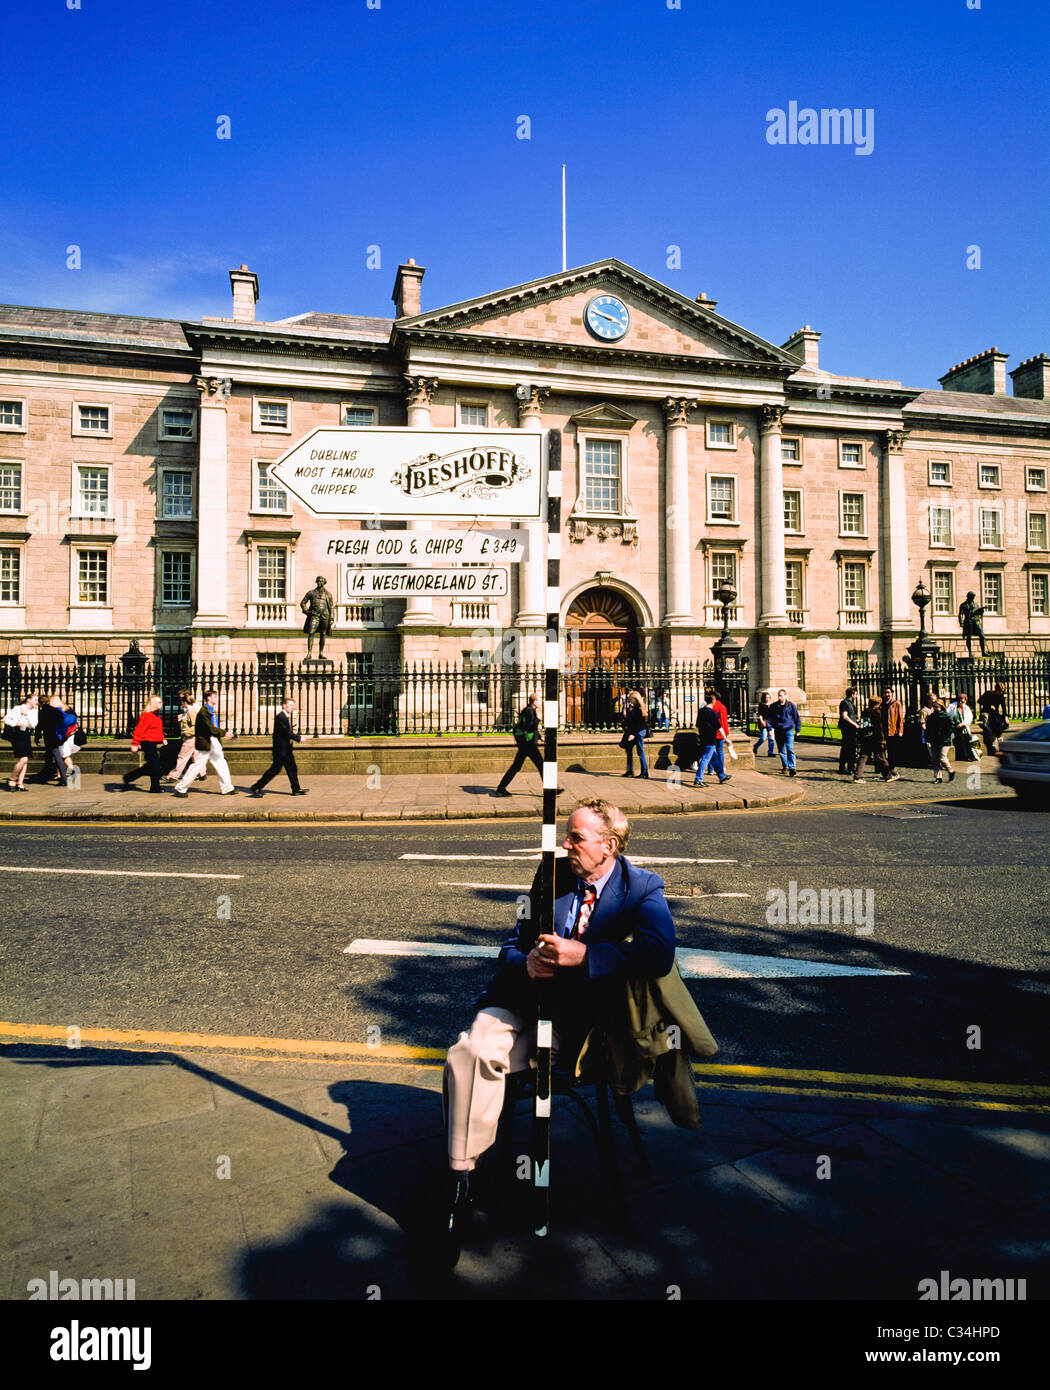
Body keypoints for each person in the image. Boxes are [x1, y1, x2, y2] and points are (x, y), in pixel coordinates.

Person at [439, 799, 709, 1266]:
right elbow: (511, 942)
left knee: (489, 1058)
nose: (565, 845)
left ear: (609, 845)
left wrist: (582, 957)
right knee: (471, 1051)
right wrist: (524, 962)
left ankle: (471, 1178)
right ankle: (461, 1180)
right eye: (566, 836)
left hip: (578, 1023)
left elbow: (657, 953)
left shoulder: (642, 887)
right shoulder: (551, 876)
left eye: (576, 838)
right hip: (523, 996)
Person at [173, 689, 237, 795]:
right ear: (208, 698)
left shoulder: (211, 710)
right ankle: (180, 788)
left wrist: (221, 734)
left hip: (212, 740)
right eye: (214, 696)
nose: (216, 698)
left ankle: (227, 787)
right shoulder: (203, 711)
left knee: (220, 762)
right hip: (206, 741)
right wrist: (225, 733)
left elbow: (213, 728)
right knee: (198, 765)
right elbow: (210, 728)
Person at [250, 696, 309, 796]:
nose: (292, 707)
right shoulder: (280, 717)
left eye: (293, 706)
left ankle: (296, 789)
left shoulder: (285, 717)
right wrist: (299, 738)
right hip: (281, 750)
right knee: (274, 770)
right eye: (290, 705)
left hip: (286, 749)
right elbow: (286, 732)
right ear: (284, 705)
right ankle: (256, 787)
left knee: (292, 768)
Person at [495, 693, 546, 797]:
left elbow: (526, 726)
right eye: (540, 700)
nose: (541, 702)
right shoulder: (530, 711)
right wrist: (538, 719)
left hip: (525, 743)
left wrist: (540, 737)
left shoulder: (527, 710)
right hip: (529, 744)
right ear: (535, 702)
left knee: (516, 766)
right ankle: (551, 789)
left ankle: (501, 788)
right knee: (541, 765)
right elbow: (530, 726)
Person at [122, 694, 167, 793]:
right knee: (155, 765)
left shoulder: (156, 714)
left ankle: (129, 777)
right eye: (159, 702)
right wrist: (135, 743)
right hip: (147, 743)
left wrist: (162, 738)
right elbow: (139, 730)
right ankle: (155, 788)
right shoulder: (146, 715)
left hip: (153, 743)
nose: (161, 703)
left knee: (151, 765)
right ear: (153, 704)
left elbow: (157, 730)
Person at [853, 697, 899, 783]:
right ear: (878, 704)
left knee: (863, 756)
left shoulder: (865, 711)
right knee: (881, 757)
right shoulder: (877, 712)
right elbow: (879, 727)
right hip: (875, 738)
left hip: (866, 737)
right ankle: (888, 776)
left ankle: (857, 776)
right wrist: (882, 739)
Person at [691, 688, 732, 787]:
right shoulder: (712, 713)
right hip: (711, 739)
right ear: (713, 701)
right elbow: (719, 727)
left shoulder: (701, 711)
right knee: (705, 759)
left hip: (703, 737)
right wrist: (726, 739)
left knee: (715, 758)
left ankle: (722, 776)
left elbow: (697, 725)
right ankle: (698, 779)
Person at [166, 690, 206, 784]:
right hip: (193, 737)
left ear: (185, 700)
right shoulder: (189, 709)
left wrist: (186, 732)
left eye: (181, 698)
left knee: (182, 756)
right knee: (196, 756)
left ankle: (173, 776)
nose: (180, 701)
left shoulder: (192, 709)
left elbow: (195, 724)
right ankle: (202, 773)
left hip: (190, 737)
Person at [3, 693, 38, 790]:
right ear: (28, 700)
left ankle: (20, 783)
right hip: (17, 734)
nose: (36, 702)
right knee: (23, 759)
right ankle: (12, 779)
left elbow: (33, 725)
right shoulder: (17, 708)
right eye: (35, 699)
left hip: (26, 734)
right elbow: (6, 719)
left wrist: (27, 715)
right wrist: (15, 723)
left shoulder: (34, 712)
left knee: (25, 760)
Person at [767, 688, 801, 776]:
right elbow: (769, 718)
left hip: (789, 729)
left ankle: (792, 767)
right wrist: (769, 729)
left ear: (786, 696)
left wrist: (798, 729)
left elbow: (796, 717)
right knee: (781, 750)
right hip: (778, 730)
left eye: (782, 695)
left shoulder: (791, 705)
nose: (780, 697)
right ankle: (785, 766)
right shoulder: (774, 706)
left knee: (790, 748)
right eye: (779, 695)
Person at [36, 694, 68, 786]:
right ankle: (45, 777)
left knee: (56, 756)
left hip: (48, 736)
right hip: (57, 735)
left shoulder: (42, 712)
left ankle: (64, 779)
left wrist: (37, 736)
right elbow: (62, 722)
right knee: (49, 756)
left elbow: (40, 725)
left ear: (41, 703)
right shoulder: (56, 711)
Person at [925, 699, 956, 783]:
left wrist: (945, 735)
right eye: (933, 706)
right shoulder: (931, 716)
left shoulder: (947, 716)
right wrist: (927, 737)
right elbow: (928, 728)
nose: (934, 708)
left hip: (944, 740)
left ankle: (951, 770)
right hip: (934, 740)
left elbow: (951, 727)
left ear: (941, 707)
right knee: (935, 759)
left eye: (936, 707)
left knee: (942, 757)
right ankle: (938, 777)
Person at [622, 689, 649, 779]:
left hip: (638, 732)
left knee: (640, 751)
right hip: (636, 731)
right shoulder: (636, 707)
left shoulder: (639, 708)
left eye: (631, 699)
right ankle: (630, 770)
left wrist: (633, 734)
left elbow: (639, 723)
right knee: (629, 749)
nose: (630, 700)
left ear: (635, 699)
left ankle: (644, 772)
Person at [977, 682, 1008, 755]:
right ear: (996, 689)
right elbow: (979, 701)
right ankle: (995, 748)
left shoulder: (1001, 696)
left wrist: (1006, 716)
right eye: (999, 691)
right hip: (986, 712)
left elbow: (1004, 707)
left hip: (995, 714)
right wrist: (988, 705)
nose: (1000, 693)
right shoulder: (988, 694)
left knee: (999, 728)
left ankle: (1002, 747)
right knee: (989, 728)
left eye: (1001, 692)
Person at [880, 686, 904, 774]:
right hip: (883, 729)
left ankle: (891, 767)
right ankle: (882, 767)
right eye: (885, 692)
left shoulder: (896, 703)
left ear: (892, 693)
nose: (887, 694)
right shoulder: (881, 704)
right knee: (881, 749)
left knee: (891, 750)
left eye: (888, 692)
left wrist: (900, 730)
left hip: (892, 730)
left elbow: (900, 718)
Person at [837, 687, 861, 776]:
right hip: (847, 728)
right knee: (846, 748)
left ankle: (851, 767)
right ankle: (842, 767)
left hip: (851, 728)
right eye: (856, 694)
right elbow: (845, 716)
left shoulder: (851, 703)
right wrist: (854, 724)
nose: (856, 695)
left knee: (852, 748)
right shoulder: (844, 703)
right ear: (852, 694)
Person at [951, 691, 979, 762]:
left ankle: (971, 755)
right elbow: (949, 717)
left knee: (967, 739)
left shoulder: (966, 708)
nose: (961, 702)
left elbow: (969, 718)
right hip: (955, 728)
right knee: (961, 740)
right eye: (959, 701)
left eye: (963, 701)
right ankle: (964, 756)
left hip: (963, 727)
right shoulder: (952, 707)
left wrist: (963, 724)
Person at [958, 592, 986, 659]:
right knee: (969, 637)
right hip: (968, 622)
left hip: (976, 622)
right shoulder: (963, 605)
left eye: (974, 597)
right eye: (972, 596)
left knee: (982, 635)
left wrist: (981, 612)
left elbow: (979, 614)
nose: (973, 598)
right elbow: (960, 614)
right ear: (968, 597)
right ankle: (970, 652)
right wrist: (961, 622)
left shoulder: (976, 604)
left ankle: (983, 652)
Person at [753, 690, 776, 758]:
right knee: (763, 738)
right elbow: (760, 715)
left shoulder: (772, 705)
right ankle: (755, 747)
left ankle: (770, 752)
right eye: (766, 697)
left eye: (768, 697)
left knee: (771, 738)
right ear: (764, 698)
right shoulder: (761, 705)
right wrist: (762, 722)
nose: (767, 698)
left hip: (771, 723)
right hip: (764, 723)